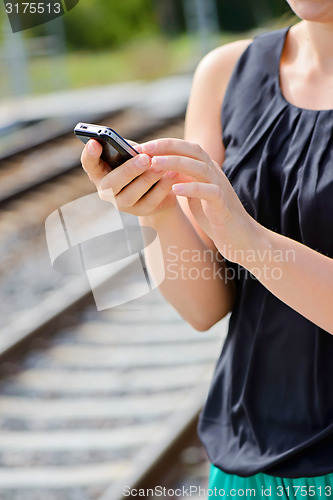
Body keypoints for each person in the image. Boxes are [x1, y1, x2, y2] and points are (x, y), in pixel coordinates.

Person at [81, 0, 333, 497]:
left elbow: (245, 244)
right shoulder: (225, 74)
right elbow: (204, 308)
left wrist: (251, 242)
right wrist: (157, 212)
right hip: (244, 468)